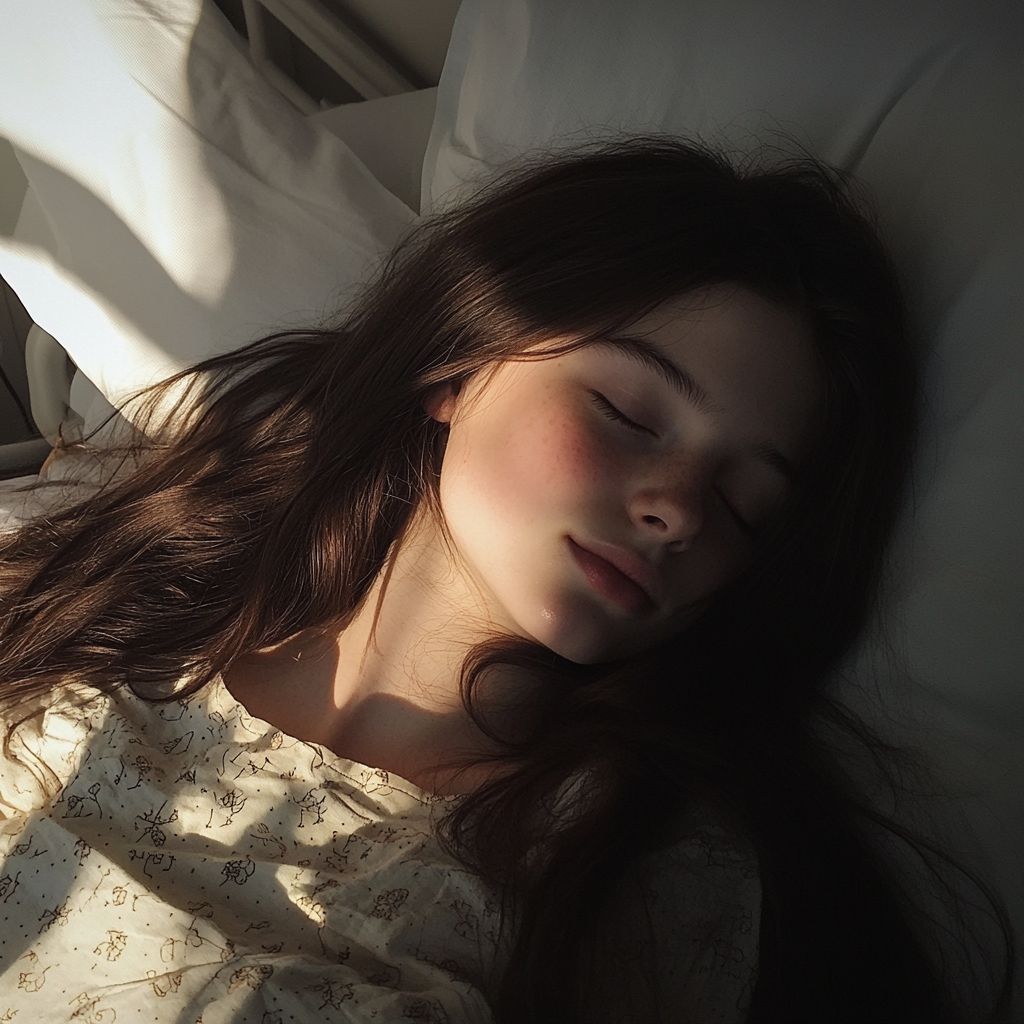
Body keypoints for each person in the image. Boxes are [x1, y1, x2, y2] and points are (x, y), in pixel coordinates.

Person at [0, 139, 1014, 1023]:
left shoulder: (637, 884)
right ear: (454, 366)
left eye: (745, 506)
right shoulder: (112, 607)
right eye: (627, 411)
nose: (680, 509)